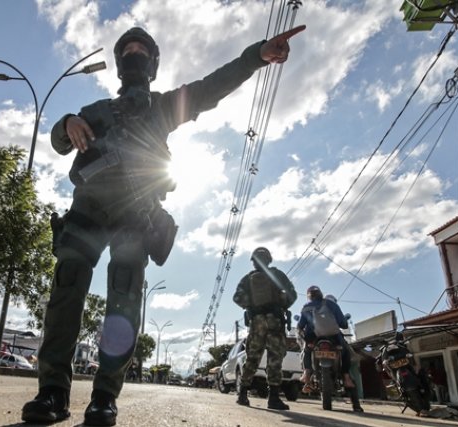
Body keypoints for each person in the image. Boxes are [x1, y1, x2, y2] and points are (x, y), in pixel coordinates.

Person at [21, 24, 306, 426]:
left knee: (123, 301)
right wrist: (66, 121)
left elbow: (211, 88)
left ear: (152, 64)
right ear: (120, 64)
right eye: (128, 50)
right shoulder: (97, 111)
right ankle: (52, 393)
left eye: (141, 49)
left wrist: (256, 55)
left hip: (135, 214)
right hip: (87, 208)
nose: (134, 53)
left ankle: (105, 397)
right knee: (66, 291)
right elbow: (58, 140)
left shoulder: (162, 107)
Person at [232, 247, 297, 409]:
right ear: (269, 259)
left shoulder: (247, 279)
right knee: (275, 359)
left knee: (252, 358)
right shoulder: (278, 275)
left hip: (257, 322)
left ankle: (243, 394)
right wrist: (281, 305)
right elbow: (292, 295)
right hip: (275, 320)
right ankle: (273, 398)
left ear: (253, 262)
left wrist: (252, 308)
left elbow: (237, 297)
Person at [297, 286, 357, 393]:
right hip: (334, 337)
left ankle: (306, 373)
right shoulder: (332, 304)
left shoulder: (306, 307)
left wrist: (303, 336)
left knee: (307, 350)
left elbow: (300, 326)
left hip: (314, 338)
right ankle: (346, 377)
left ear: (309, 296)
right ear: (321, 293)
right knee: (345, 352)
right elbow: (343, 324)